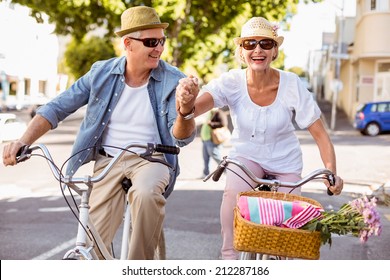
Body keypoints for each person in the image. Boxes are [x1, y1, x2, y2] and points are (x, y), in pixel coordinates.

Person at [2, 6, 197, 260]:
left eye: (161, 40)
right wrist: (22, 141)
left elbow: (181, 137)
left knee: (147, 195)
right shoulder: (101, 73)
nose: (159, 48)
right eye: (151, 41)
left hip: (152, 159)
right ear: (128, 44)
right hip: (108, 161)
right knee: (92, 247)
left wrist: (185, 109)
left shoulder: (174, 80)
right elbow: (57, 107)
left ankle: (139, 268)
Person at [174, 16, 344, 260]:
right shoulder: (231, 81)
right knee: (233, 194)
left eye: (265, 44)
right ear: (241, 52)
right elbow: (193, 110)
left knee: (288, 223)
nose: (257, 50)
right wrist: (187, 101)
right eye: (249, 44)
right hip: (247, 159)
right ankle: (229, 257)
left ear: (274, 50)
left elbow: (321, 136)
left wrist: (331, 173)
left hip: (285, 162)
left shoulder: (292, 84)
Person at [200, 108, 228, 178]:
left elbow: (223, 123)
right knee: (205, 157)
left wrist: (211, 124)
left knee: (216, 156)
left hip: (212, 139)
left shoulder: (219, 112)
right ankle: (205, 173)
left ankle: (227, 172)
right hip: (205, 139)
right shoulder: (210, 112)